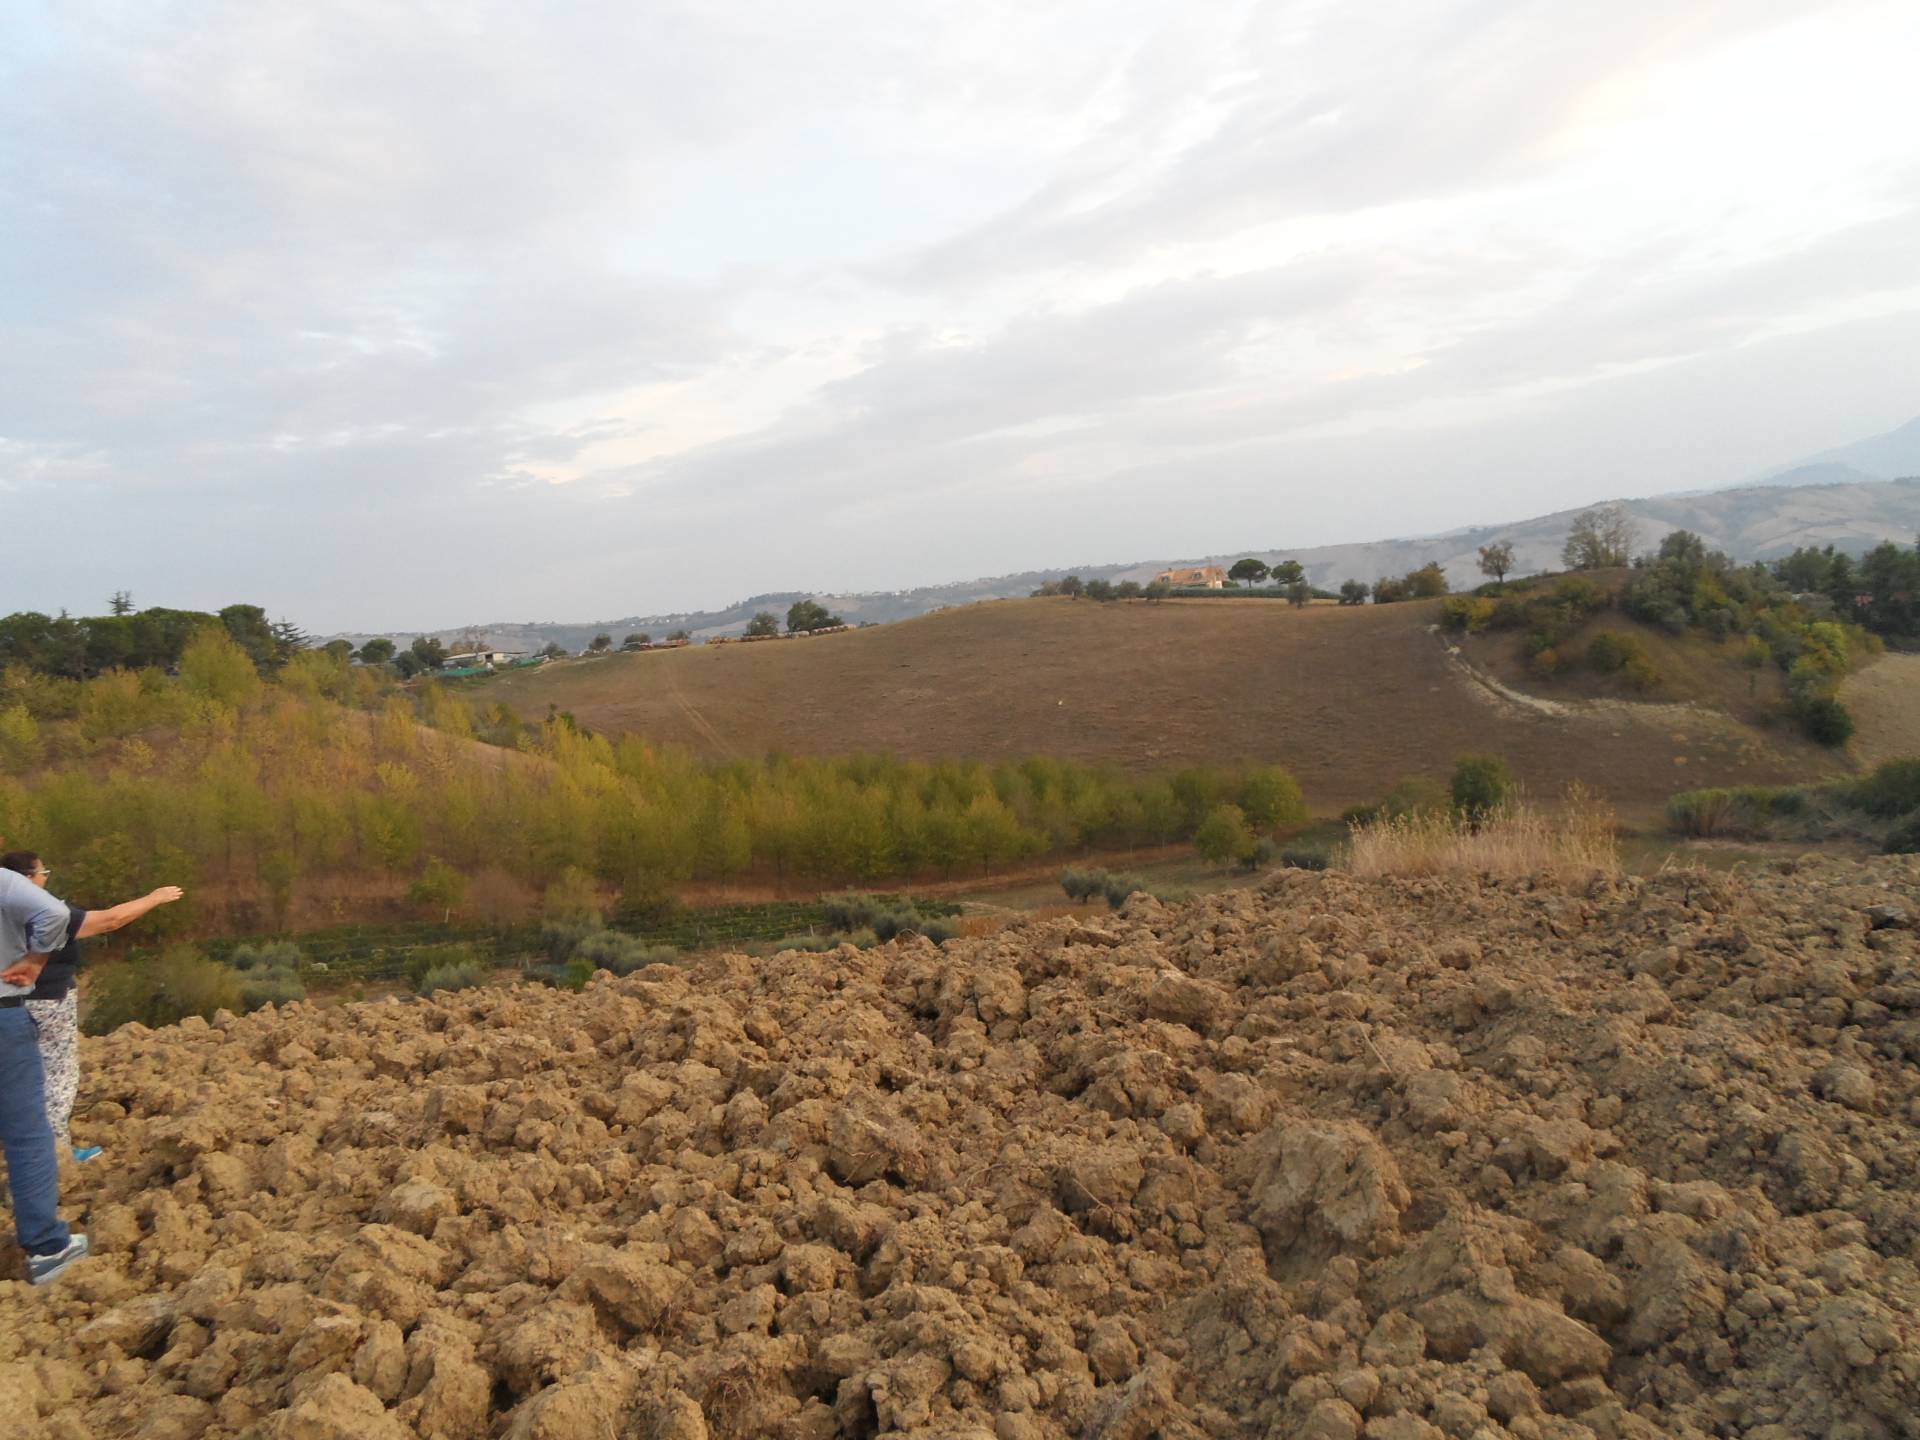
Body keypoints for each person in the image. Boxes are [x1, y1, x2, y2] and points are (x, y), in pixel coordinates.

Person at [0, 852, 184, 1164]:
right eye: (43, 872)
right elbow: (111, 920)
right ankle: (54, 1157)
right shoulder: (47, 912)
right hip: (46, 1005)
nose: (47, 878)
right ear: (27, 879)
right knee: (57, 1080)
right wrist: (155, 898)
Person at [0, 864, 85, 1284]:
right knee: (27, 1132)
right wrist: (35, 959)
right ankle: (47, 1248)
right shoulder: (3, 882)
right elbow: (56, 915)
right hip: (3, 1017)